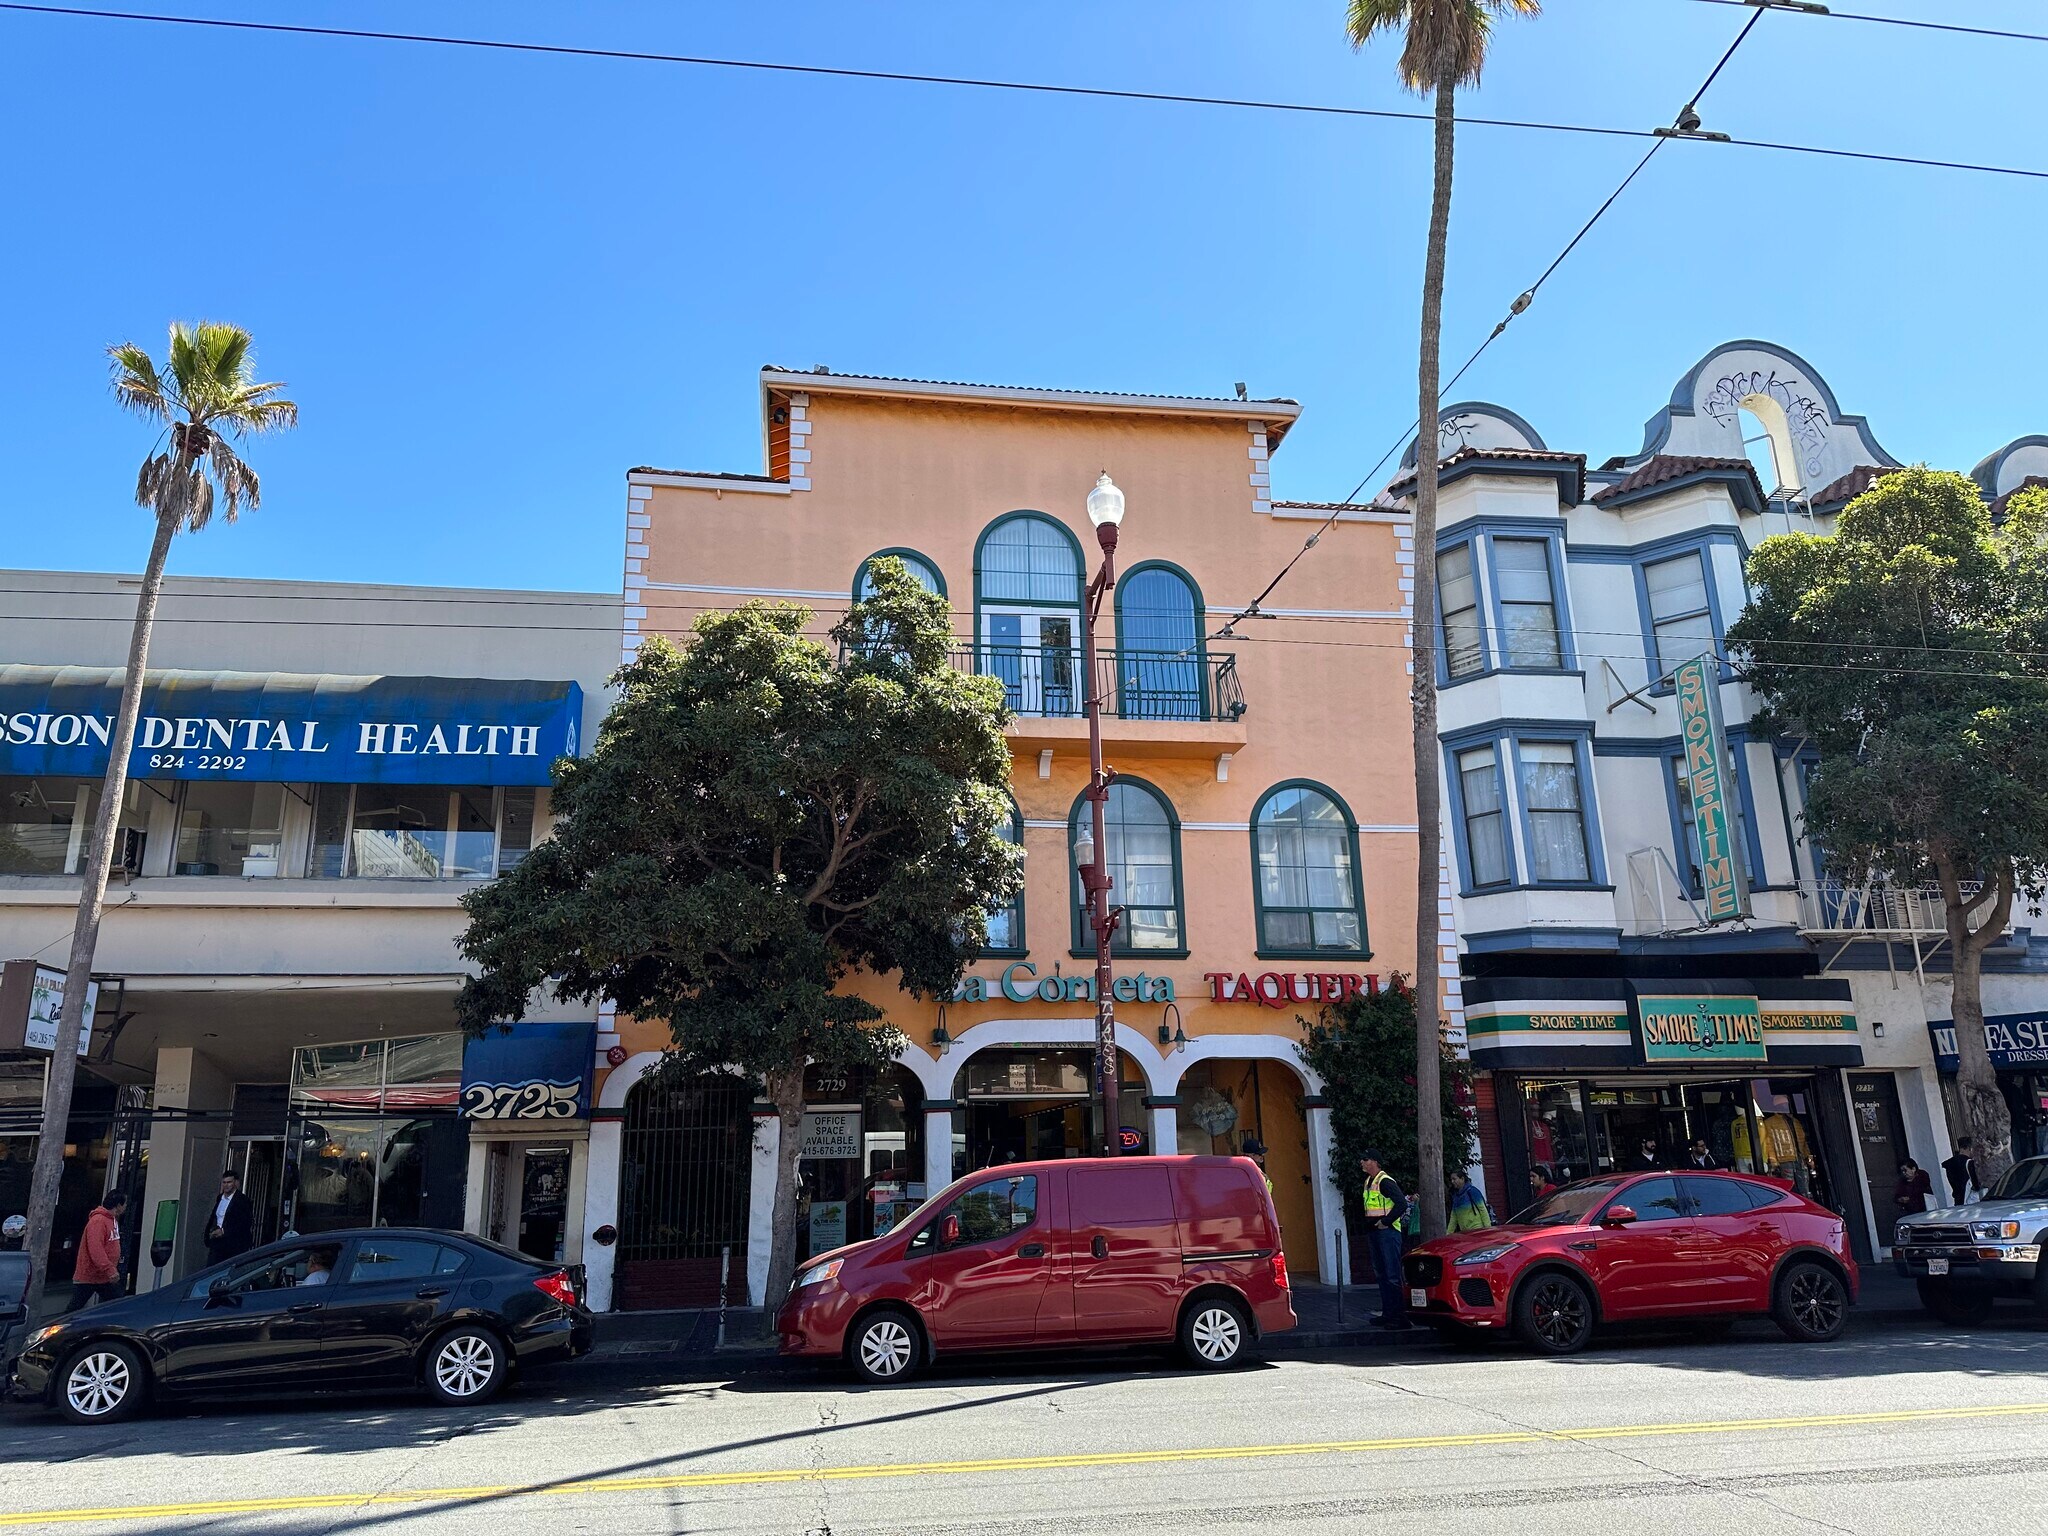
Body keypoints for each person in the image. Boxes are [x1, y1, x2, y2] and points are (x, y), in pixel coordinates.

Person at [1357, 1150, 1410, 1329]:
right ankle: (1388, 1314)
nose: (1361, 1162)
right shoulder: (1368, 1182)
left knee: (1392, 1275)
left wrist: (1386, 1222)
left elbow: (1402, 1204)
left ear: (1375, 1162)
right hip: (1376, 1233)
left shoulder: (1385, 1181)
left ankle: (1400, 1317)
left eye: (1365, 1159)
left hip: (1388, 1233)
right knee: (1382, 1275)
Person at [68, 1190, 127, 1311]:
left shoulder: (112, 1220)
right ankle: (60, 1328)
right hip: (91, 1274)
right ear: (118, 1205)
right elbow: (96, 1249)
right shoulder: (99, 1221)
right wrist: (109, 1269)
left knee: (117, 1304)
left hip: (103, 1276)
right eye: (124, 1204)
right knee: (74, 1308)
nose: (126, 1207)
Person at [205, 1171, 255, 1265]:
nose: (226, 1185)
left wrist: (224, 1231)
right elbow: (214, 1217)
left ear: (236, 1183)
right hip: (217, 1242)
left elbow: (245, 1223)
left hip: (233, 1244)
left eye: (229, 1182)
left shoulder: (243, 1200)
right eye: (224, 1182)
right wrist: (208, 1234)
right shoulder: (220, 1198)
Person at [1893, 1159, 1934, 1236]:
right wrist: (1901, 1199)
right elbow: (1896, 1196)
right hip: (1910, 1210)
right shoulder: (1902, 1182)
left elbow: (1922, 1190)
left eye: (1905, 1170)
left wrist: (1910, 1197)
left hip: (1924, 1207)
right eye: (1902, 1171)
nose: (1904, 1173)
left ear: (1913, 1169)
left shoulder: (1922, 1175)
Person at [1942, 1138, 1979, 1205]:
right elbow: (1975, 1184)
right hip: (1969, 1200)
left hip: (1957, 1200)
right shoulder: (1969, 1163)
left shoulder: (1950, 1164)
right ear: (1969, 1148)